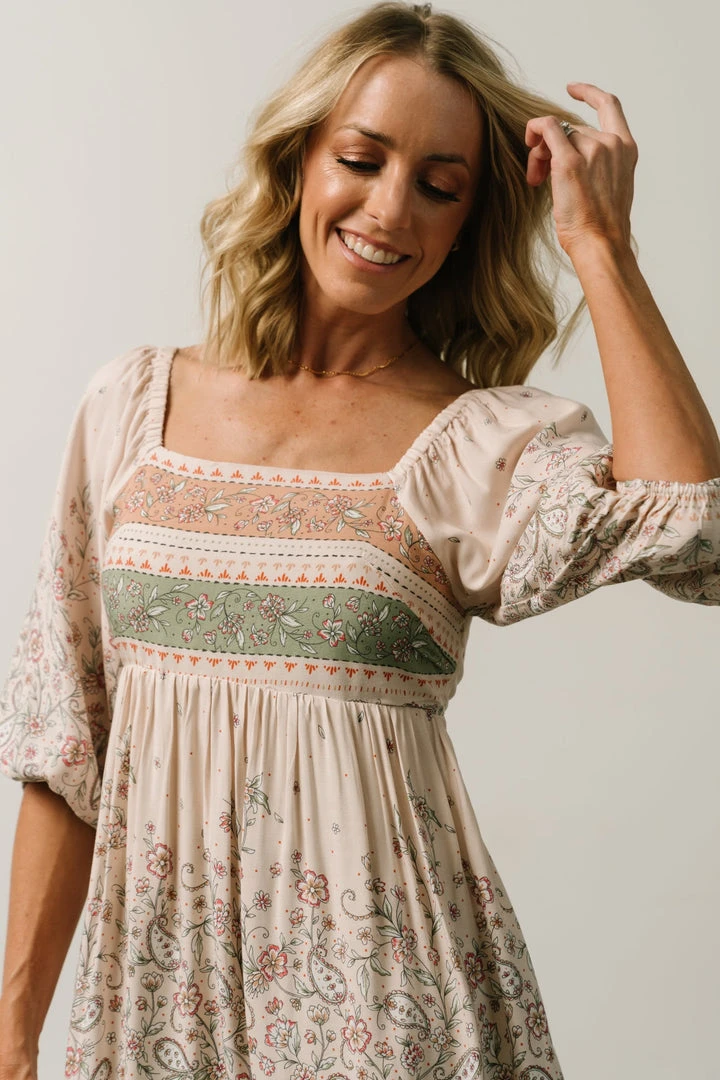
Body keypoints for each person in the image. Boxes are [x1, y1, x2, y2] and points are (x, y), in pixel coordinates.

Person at [0, 1, 718, 1076]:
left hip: (387, 1015)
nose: (389, 209)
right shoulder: (131, 410)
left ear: (468, 222)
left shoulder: (473, 444)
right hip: (158, 1013)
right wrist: (12, 1034)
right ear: (298, 160)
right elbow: (70, 744)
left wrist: (600, 245)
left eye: (439, 185)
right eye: (361, 159)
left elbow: (695, 529)